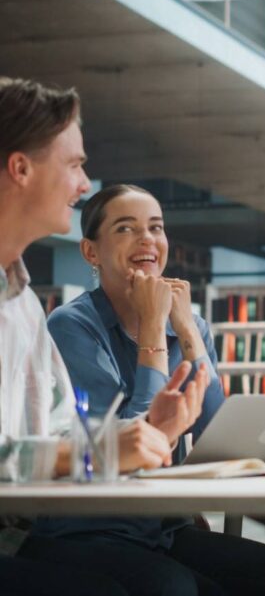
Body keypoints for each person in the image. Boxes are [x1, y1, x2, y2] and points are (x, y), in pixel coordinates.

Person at [30, 182, 265, 596]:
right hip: (89, 528)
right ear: (90, 252)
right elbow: (128, 447)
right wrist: (153, 330)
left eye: (156, 227)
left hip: (164, 527)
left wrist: (188, 329)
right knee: (178, 589)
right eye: (125, 228)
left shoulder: (188, 324)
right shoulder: (71, 326)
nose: (147, 240)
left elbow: (217, 431)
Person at [0, 77, 191, 595]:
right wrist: (103, 450)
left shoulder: (20, 300)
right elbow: (56, 454)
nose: (84, 185)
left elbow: (63, 432)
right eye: (74, 165)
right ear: (21, 168)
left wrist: (140, 432)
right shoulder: (63, 319)